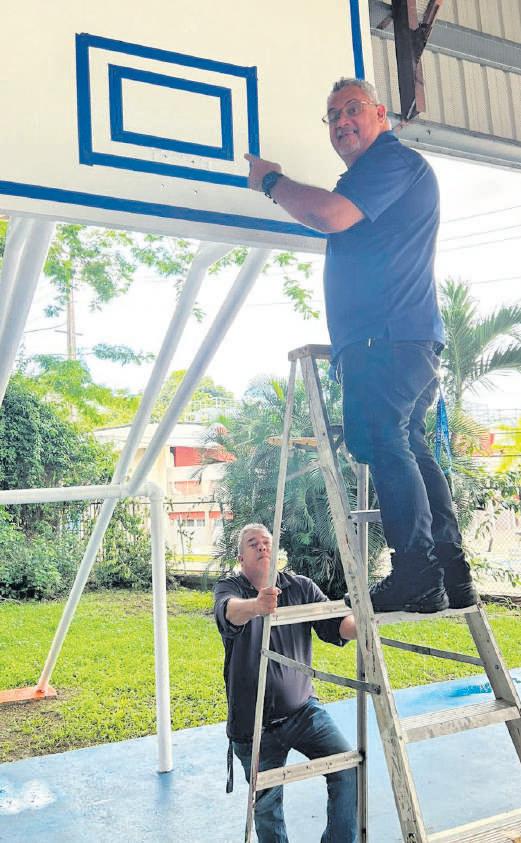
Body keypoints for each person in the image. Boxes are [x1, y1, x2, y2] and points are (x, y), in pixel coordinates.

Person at [244, 78, 478, 614]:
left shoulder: (390, 162)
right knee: (406, 444)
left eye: (353, 109)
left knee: (387, 443)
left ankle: (418, 573)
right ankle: (450, 571)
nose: (342, 121)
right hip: (399, 340)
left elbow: (328, 215)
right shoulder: (375, 174)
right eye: (333, 115)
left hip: (386, 341)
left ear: (381, 115)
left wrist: (270, 180)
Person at [214, 523, 358, 843]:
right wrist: (257, 606)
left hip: (303, 712)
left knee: (347, 767)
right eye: (253, 543)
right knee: (268, 808)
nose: (262, 546)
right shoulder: (230, 587)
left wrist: (364, 621)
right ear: (241, 558)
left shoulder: (300, 586)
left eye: (267, 541)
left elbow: (336, 626)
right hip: (253, 725)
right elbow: (229, 612)